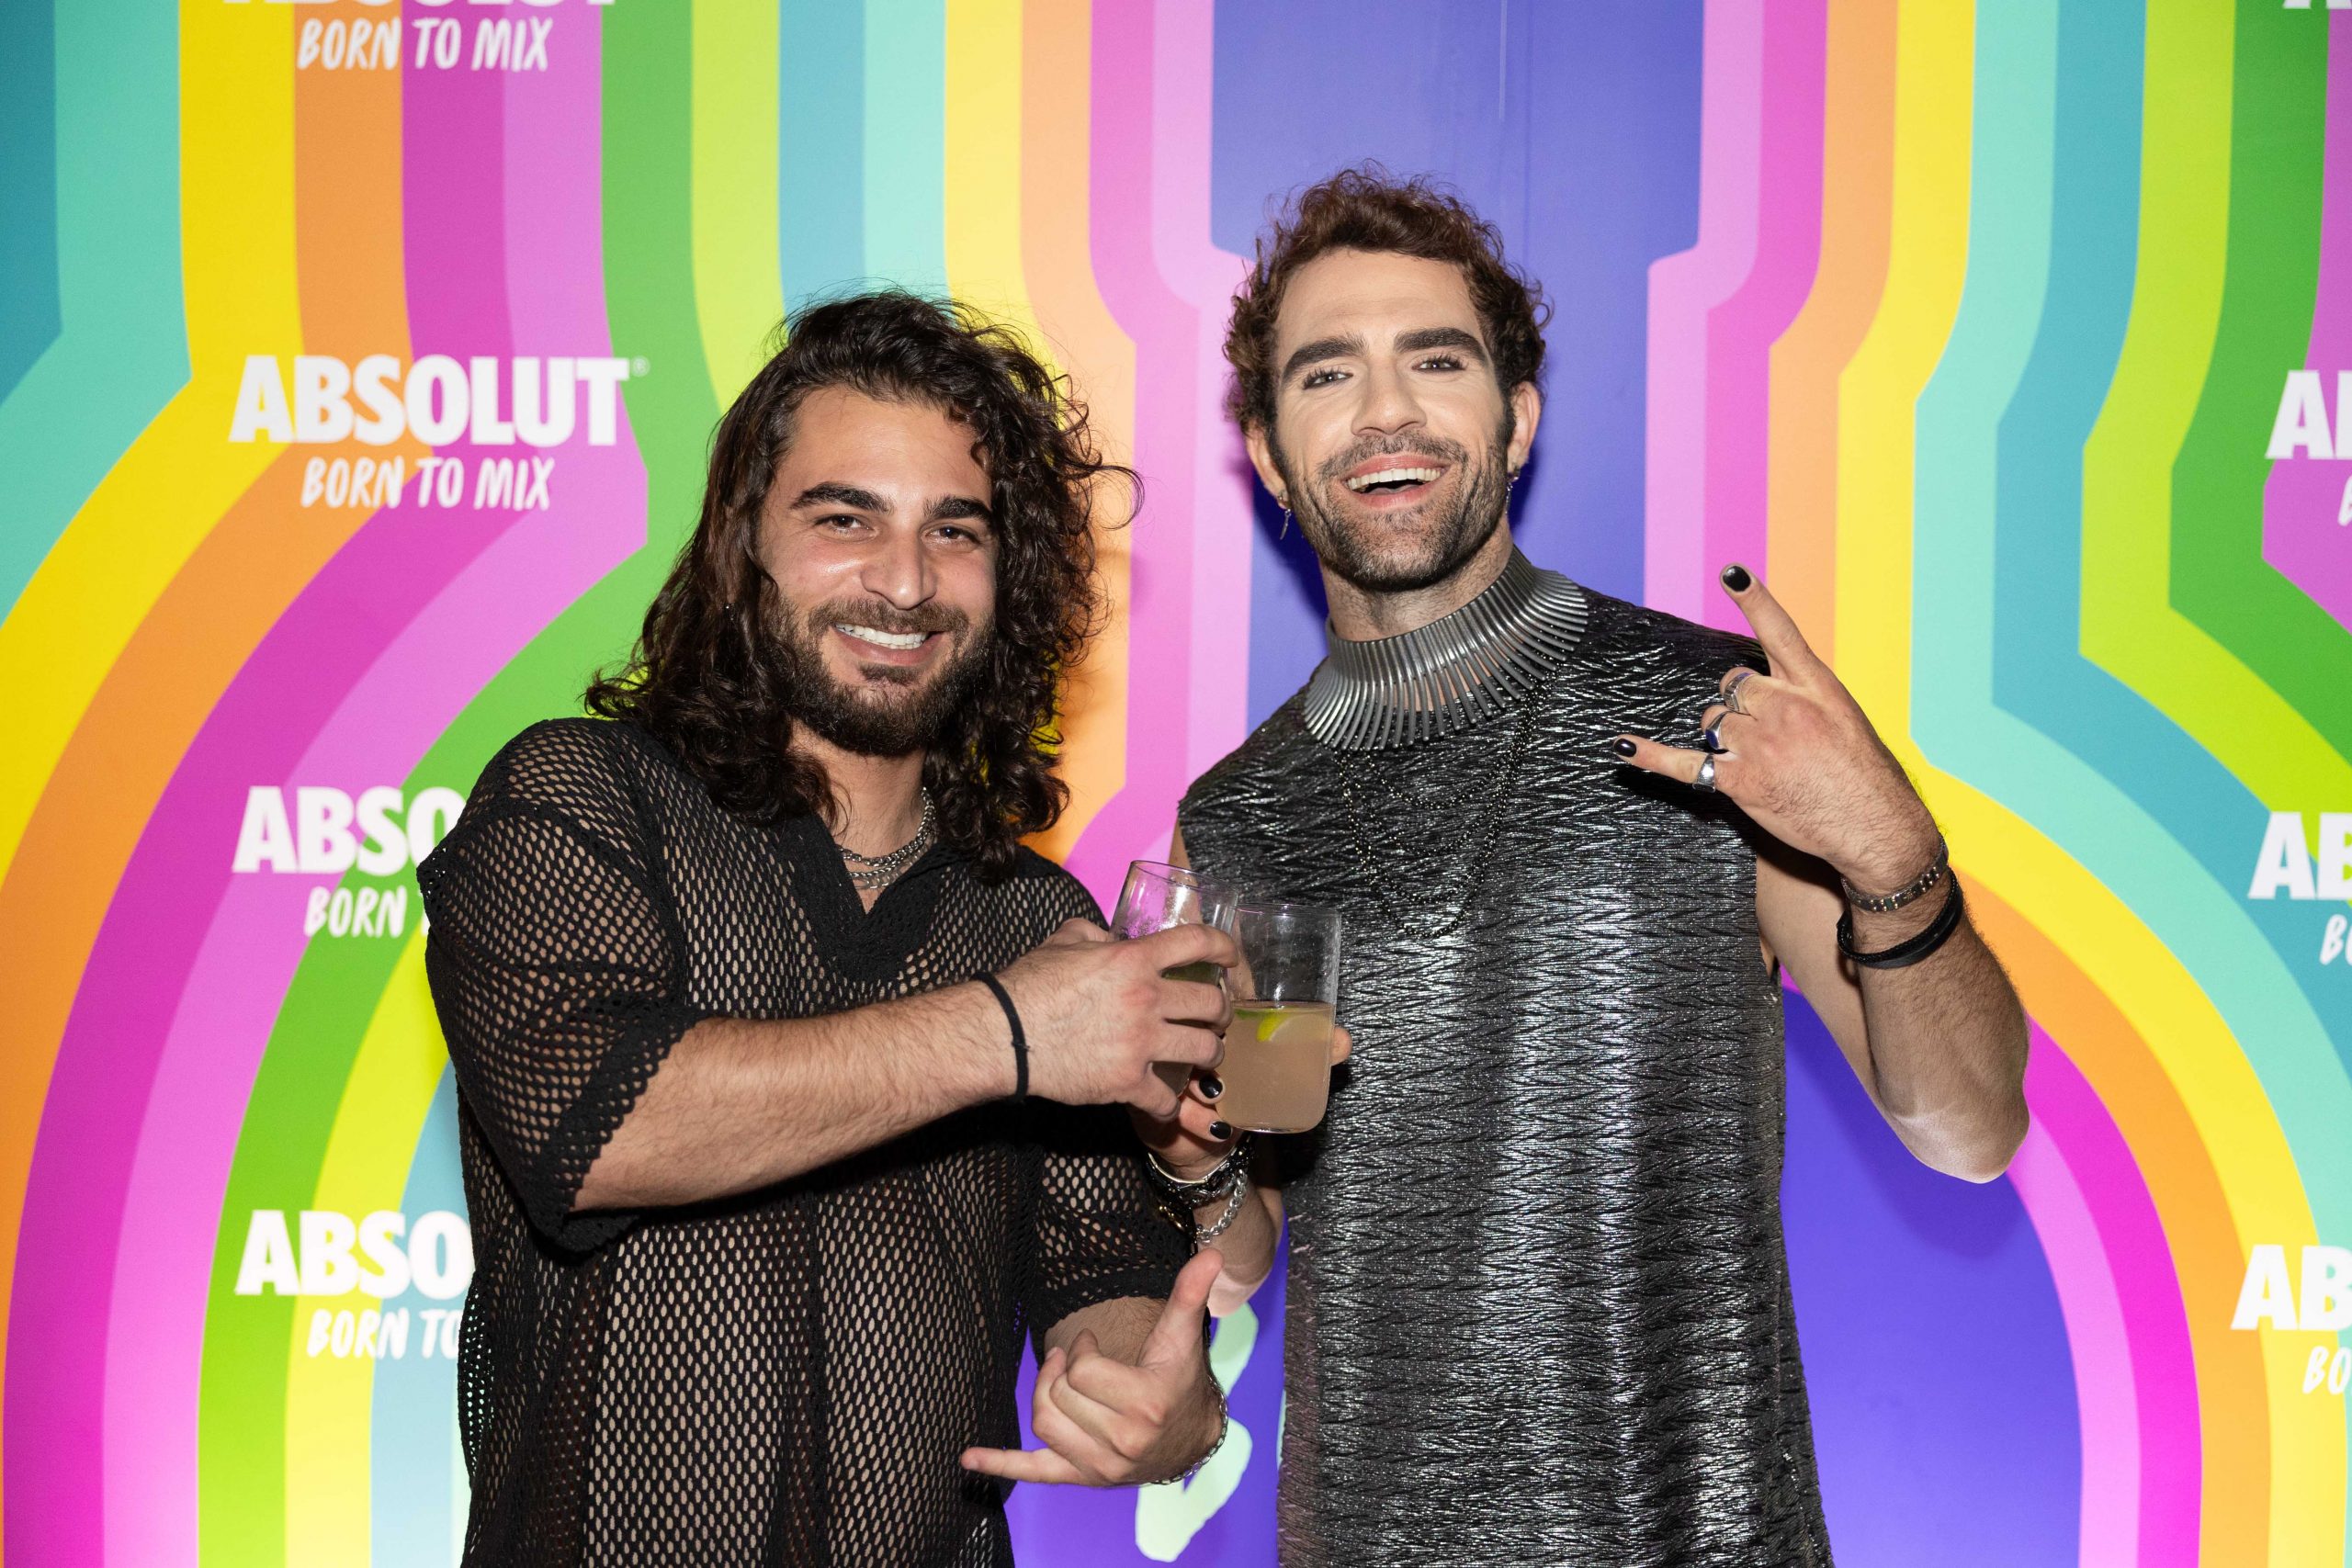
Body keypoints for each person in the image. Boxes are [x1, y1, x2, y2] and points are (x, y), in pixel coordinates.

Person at [1146, 169, 2031, 1565]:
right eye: (1328, 374)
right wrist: (1192, 1157)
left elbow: (1973, 1132)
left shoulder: (1717, 720)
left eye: (1436, 361)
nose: (1385, 410)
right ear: (1266, 451)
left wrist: (1895, 858)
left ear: (1518, 420)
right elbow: (1251, 1244)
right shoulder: (1237, 818)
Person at [418, 290, 1234, 1568]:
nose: (905, 582)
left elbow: (1104, 1280)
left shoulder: (1037, 923)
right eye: (845, 518)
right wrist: (1012, 1032)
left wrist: (1162, 1404)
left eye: (954, 531)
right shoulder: (581, 797)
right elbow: (593, 1126)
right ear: (744, 540)